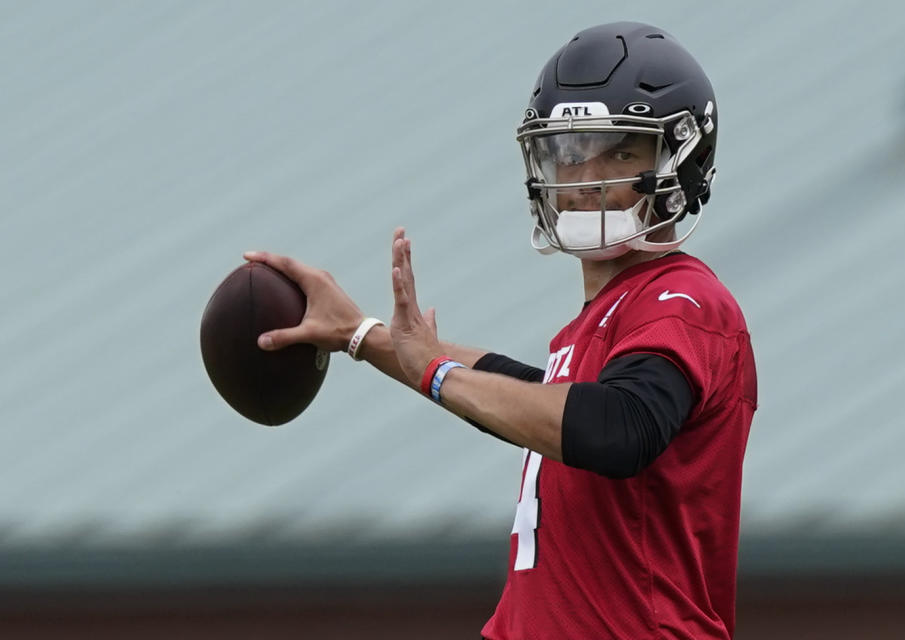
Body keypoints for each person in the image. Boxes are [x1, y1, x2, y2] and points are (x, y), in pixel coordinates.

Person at [244, 21, 757, 640]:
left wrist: (435, 372)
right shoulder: (600, 327)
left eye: (620, 150)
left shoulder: (685, 299)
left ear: (681, 158)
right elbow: (534, 394)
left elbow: (619, 428)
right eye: (570, 151)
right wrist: (362, 334)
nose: (584, 178)